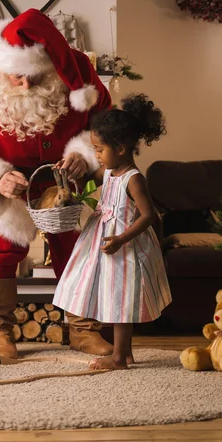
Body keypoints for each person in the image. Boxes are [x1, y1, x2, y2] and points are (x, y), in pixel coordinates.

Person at [0, 8, 113, 359]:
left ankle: (83, 329)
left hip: (65, 180)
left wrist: (86, 155)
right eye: (16, 77)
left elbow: (107, 130)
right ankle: (0, 333)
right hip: (10, 184)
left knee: (82, 244)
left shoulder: (79, 72)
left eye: (34, 78)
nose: (23, 85)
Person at [53, 94, 172, 370]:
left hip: (125, 246)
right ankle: (125, 353)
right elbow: (95, 193)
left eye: (99, 149)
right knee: (112, 296)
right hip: (102, 242)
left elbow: (148, 216)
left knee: (122, 300)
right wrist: (72, 181)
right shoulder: (108, 172)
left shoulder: (133, 179)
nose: (95, 155)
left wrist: (121, 239)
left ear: (120, 148)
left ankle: (118, 358)